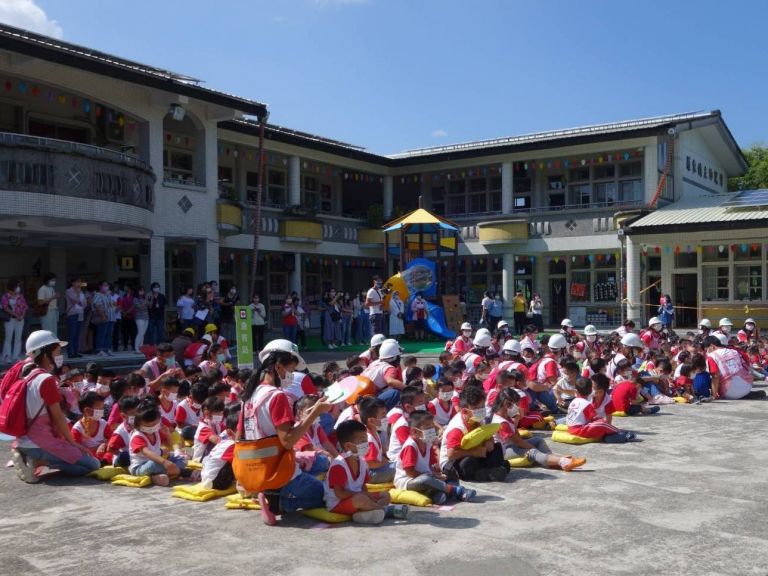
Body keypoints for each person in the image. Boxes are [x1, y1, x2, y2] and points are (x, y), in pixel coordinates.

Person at [240, 339, 332, 526]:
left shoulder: (249, 395)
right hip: (280, 471)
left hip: (254, 470)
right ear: (278, 366)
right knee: (326, 495)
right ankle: (279, 504)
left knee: (320, 464)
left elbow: (239, 437)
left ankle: (269, 493)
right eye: (290, 370)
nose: (291, 376)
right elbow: (288, 441)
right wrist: (315, 411)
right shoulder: (277, 396)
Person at [11, 330, 100, 482]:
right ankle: (37, 460)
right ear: (46, 355)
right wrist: (73, 444)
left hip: (25, 440)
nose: (60, 356)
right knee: (94, 465)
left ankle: (35, 460)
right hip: (40, 442)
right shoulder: (46, 380)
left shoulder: (28, 375)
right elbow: (58, 416)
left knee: (81, 469)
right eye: (58, 352)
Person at [491, 388, 586, 471]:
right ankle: (561, 461)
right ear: (506, 403)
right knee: (532, 452)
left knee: (538, 440)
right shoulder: (500, 422)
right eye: (514, 404)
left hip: (513, 445)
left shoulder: (507, 417)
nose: (516, 407)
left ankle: (553, 460)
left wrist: (515, 418)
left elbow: (517, 436)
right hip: (505, 451)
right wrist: (535, 449)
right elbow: (518, 442)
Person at [395, 410, 475, 503]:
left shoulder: (427, 443)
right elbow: (410, 472)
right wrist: (432, 476)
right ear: (414, 431)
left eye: (432, 426)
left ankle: (440, 493)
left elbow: (429, 466)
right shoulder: (410, 446)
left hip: (427, 477)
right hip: (408, 481)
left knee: (448, 474)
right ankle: (455, 491)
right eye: (427, 427)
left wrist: (437, 475)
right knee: (425, 480)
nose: (432, 430)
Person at [324, 419, 394, 524]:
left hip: (358, 498)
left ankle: (366, 512)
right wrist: (362, 496)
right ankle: (383, 509)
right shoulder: (339, 465)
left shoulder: (361, 461)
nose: (366, 444)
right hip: (338, 504)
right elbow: (339, 494)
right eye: (362, 442)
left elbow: (363, 487)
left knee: (385, 495)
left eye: (366, 440)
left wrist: (369, 496)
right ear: (348, 446)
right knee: (360, 499)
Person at [439, 386, 510, 482]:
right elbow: (451, 454)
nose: (480, 410)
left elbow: (488, 435)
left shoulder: (479, 419)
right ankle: (489, 471)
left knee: (497, 448)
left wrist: (489, 442)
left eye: (482, 406)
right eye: (476, 408)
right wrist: (473, 452)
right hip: (453, 462)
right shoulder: (457, 428)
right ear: (464, 411)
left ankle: (487, 471)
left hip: (477, 453)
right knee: (467, 464)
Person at [566, 378, 636, 442]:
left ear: (576, 391)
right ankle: (621, 433)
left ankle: (613, 435)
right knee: (603, 423)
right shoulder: (587, 404)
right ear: (591, 390)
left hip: (571, 428)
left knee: (603, 425)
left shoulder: (574, 401)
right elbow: (594, 419)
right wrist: (602, 421)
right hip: (580, 429)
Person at [362, 338, 405, 410]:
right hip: (369, 402)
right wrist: (408, 388)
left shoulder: (375, 363)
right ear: (395, 357)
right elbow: (390, 381)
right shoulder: (389, 368)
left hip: (362, 398)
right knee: (395, 393)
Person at [2, 279, 28, 364]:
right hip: (10, 319)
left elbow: (25, 306)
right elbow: (5, 308)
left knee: (18, 338)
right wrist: (16, 315)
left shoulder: (20, 296)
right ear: (12, 287)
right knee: (8, 338)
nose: (18, 288)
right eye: (17, 286)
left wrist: (22, 316)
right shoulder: (5, 297)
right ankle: (7, 356)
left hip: (20, 319)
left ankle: (16, 356)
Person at [91, 281, 115, 357]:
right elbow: (96, 305)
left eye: (107, 285)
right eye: (105, 285)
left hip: (111, 317)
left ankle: (106, 349)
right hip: (103, 317)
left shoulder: (107, 295)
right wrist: (102, 316)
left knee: (109, 334)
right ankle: (99, 350)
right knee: (102, 334)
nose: (106, 287)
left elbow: (112, 304)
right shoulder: (98, 295)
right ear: (100, 287)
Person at [65, 278, 86, 359]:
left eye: (80, 282)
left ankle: (76, 352)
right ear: (73, 283)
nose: (79, 284)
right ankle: (70, 352)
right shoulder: (69, 291)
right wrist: (77, 293)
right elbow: (75, 300)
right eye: (78, 282)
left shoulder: (81, 291)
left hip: (80, 313)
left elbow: (84, 303)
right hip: (72, 313)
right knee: (72, 333)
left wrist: (81, 303)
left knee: (78, 333)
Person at [118, 284, 136, 353]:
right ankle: (125, 346)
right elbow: (120, 304)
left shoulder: (133, 296)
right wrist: (123, 312)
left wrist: (127, 312)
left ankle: (134, 345)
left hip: (131, 316)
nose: (125, 288)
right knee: (125, 332)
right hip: (124, 316)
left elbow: (134, 305)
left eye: (126, 287)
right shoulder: (123, 296)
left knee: (132, 332)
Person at [133, 287, 149, 353]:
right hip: (139, 317)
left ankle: (141, 347)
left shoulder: (144, 298)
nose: (142, 292)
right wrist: (146, 301)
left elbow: (149, 306)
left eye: (143, 290)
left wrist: (150, 300)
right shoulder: (135, 299)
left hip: (146, 317)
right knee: (140, 332)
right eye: (140, 290)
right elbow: (140, 307)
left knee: (143, 333)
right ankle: (136, 348)